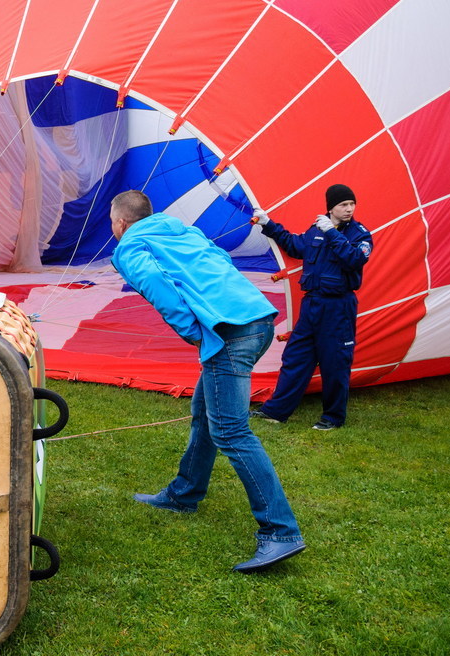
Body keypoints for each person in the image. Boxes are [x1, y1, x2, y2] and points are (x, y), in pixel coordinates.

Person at [109, 190, 305, 573]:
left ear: (120, 222)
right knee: (204, 413)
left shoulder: (130, 244)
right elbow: (219, 259)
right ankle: (184, 494)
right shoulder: (180, 228)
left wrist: (192, 331)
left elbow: (155, 285)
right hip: (258, 319)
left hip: (229, 333)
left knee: (232, 432)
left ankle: (280, 531)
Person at [250, 184, 373, 430]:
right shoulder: (316, 229)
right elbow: (295, 246)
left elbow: (355, 259)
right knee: (296, 357)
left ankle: (333, 418)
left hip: (338, 306)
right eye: (343, 205)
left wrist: (333, 233)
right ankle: (276, 411)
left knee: (335, 362)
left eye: (351, 204)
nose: (349, 209)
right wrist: (268, 224)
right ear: (331, 207)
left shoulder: (359, 234)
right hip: (312, 305)